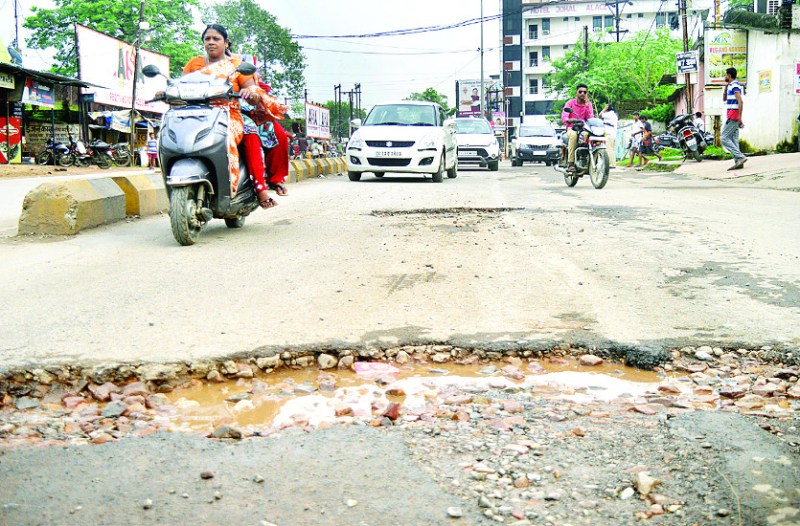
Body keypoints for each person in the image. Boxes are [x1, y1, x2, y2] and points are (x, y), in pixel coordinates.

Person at [183, 24, 276, 208]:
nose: (211, 42)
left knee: (239, 135)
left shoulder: (237, 66)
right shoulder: (194, 64)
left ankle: (255, 186)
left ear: (226, 43)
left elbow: (253, 90)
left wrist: (252, 93)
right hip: (196, 114)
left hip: (228, 113)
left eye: (216, 39)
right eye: (207, 39)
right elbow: (180, 84)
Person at [561, 83, 595, 172]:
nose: (582, 94)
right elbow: (564, 116)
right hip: (571, 128)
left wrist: (587, 107)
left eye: (584, 92)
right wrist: (569, 120)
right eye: (580, 92)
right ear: (576, 93)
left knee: (590, 136)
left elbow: (590, 118)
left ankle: (588, 159)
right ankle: (571, 163)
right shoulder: (570, 103)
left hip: (584, 128)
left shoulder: (588, 104)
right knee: (573, 136)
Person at [722, 67, 746, 170]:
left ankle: (740, 156)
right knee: (734, 139)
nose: (725, 76)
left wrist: (740, 117)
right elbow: (724, 99)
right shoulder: (730, 86)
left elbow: (740, 101)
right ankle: (738, 163)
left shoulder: (735, 85)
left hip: (733, 115)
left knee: (724, 138)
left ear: (729, 75)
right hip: (732, 114)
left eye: (726, 74)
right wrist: (726, 88)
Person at [599, 103, 617, 168]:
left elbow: (600, 114)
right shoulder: (613, 114)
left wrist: (604, 109)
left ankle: (611, 164)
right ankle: (613, 163)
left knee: (609, 149)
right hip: (612, 134)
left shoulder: (609, 114)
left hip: (609, 133)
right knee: (611, 149)